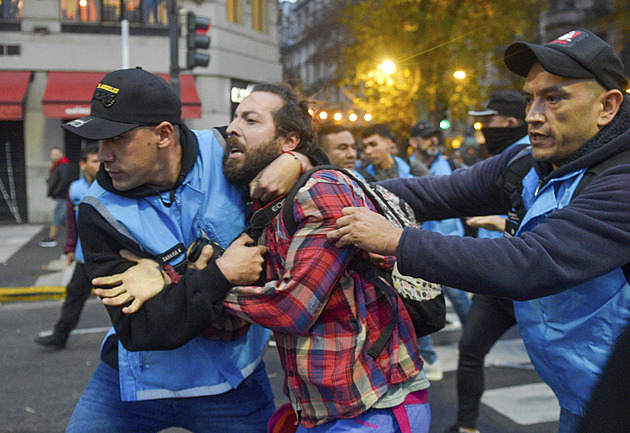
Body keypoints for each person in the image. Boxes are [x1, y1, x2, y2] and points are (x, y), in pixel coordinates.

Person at [329, 29, 630, 433]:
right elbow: (437, 192)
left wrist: (396, 240)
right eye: (530, 98)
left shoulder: (622, 180)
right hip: (580, 391)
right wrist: (323, 186)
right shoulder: (528, 160)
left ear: (607, 107)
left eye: (553, 98)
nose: (533, 115)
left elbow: (528, 264)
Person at [95, 83, 432, 431]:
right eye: (236, 117)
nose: (232, 128)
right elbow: (236, 321)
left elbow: (292, 308)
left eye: (251, 120)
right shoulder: (263, 204)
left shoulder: (321, 190)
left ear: (289, 142)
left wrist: (182, 279)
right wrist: (209, 281)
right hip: (323, 408)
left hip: (375, 402)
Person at [60, 67, 284, 433]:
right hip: (137, 381)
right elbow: (143, 329)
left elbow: (311, 161)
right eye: (99, 143)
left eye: (115, 139)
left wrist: (298, 163)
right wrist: (222, 273)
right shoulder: (96, 210)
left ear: (164, 134)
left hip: (231, 380)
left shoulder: (225, 152)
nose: (103, 156)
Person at [443, 90, 530, 433]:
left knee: (563, 363)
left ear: (510, 122)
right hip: (495, 280)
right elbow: (441, 191)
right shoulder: (502, 158)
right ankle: (466, 426)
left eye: (487, 120)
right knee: (470, 348)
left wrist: (501, 222)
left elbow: (553, 221)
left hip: (532, 279)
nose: (482, 128)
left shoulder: (533, 155)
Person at [407, 120, 472, 381]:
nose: (433, 141)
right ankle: (430, 359)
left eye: (435, 136)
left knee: (459, 299)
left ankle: (473, 344)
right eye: (426, 137)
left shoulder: (451, 165)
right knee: (422, 303)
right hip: (421, 248)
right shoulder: (403, 168)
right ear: (414, 142)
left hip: (451, 246)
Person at [35, 144, 101, 350]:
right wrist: (70, 248)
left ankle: (133, 339)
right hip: (84, 257)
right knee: (73, 296)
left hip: (107, 257)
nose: (99, 165)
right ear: (83, 164)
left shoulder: (110, 186)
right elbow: (72, 223)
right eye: (95, 161)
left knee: (119, 300)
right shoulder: (75, 189)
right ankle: (60, 335)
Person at [40, 146, 73, 247]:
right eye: (52, 154)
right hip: (60, 195)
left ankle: (52, 238)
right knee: (63, 217)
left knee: (57, 216)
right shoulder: (57, 166)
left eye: (55, 154)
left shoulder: (62, 166)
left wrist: (55, 192)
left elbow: (63, 181)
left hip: (61, 196)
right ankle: (71, 238)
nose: (52, 156)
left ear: (61, 154)